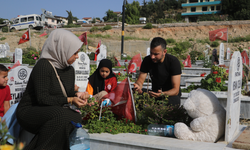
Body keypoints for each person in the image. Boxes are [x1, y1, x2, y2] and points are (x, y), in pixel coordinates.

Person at [16, 29, 89, 150]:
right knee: (60, 116)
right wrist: (70, 100)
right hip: (31, 110)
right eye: (74, 53)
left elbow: (68, 92)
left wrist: (78, 95)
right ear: (63, 49)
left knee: (75, 117)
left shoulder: (69, 70)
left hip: (51, 110)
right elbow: (43, 98)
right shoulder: (43, 66)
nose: (77, 57)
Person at [133, 37, 182, 106]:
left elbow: (175, 90)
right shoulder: (147, 60)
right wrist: (137, 86)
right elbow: (140, 81)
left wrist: (162, 94)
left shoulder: (173, 62)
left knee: (171, 102)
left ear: (164, 52)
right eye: (151, 53)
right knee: (134, 96)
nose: (152, 57)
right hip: (154, 93)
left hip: (170, 95)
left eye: (156, 54)